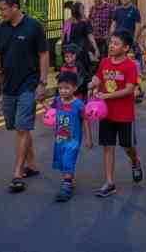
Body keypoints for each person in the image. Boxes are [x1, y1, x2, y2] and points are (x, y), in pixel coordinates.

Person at [0, 0, 49, 193]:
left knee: (22, 128)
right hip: (8, 86)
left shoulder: (33, 26)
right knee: (17, 126)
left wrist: (42, 83)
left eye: (3, 9)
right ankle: (32, 165)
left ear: (15, 7)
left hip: (29, 84)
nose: (1, 13)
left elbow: (43, 54)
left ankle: (18, 173)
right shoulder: (0, 29)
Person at [89, 29, 144, 197]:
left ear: (126, 48)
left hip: (125, 114)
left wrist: (106, 95)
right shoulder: (104, 62)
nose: (111, 46)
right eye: (111, 42)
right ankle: (109, 182)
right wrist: (88, 85)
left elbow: (129, 90)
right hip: (105, 113)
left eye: (116, 43)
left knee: (127, 146)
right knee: (108, 146)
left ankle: (135, 160)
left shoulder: (130, 65)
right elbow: (98, 78)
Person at [50, 72, 93, 202]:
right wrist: (43, 105)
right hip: (59, 138)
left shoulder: (78, 104)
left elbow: (85, 120)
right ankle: (68, 179)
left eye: (66, 88)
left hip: (73, 139)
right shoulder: (57, 101)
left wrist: (88, 138)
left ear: (74, 88)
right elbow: (51, 112)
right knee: (61, 161)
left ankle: (66, 184)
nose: (63, 91)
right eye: (60, 88)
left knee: (68, 159)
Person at [63, 1, 101, 73]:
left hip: (70, 50)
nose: (83, 10)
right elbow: (90, 36)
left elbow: (63, 37)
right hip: (82, 51)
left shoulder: (68, 22)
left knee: (71, 71)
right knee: (82, 71)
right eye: (82, 9)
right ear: (79, 11)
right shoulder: (85, 22)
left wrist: (64, 49)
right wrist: (96, 48)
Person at [89, 0, 115, 69]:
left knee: (103, 59)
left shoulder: (110, 7)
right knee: (95, 59)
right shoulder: (92, 8)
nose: (94, 0)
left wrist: (110, 35)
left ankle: (103, 74)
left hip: (105, 38)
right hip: (94, 38)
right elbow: (90, 21)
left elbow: (113, 22)